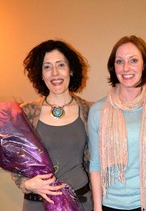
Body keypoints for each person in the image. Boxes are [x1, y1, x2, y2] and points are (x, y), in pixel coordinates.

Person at [88, 35, 146, 211]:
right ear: (113, 67)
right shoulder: (98, 110)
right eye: (119, 61)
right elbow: (95, 163)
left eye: (133, 60)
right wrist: (97, 208)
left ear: (144, 65)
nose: (126, 68)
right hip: (110, 204)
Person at [11, 40, 93, 210]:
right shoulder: (25, 113)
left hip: (81, 201)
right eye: (47, 67)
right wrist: (26, 184)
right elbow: (13, 159)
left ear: (70, 70)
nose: (55, 73)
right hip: (37, 203)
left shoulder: (89, 111)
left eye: (61, 65)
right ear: (40, 74)